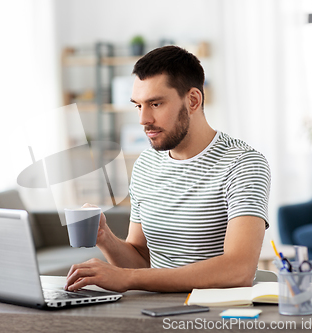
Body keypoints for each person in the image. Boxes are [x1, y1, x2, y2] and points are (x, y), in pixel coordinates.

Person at [65, 45, 270, 293]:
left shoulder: (242, 164)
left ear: (193, 100)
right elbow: (141, 259)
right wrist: (105, 237)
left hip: (216, 313)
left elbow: (239, 270)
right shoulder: (146, 164)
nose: (143, 119)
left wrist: (129, 279)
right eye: (138, 106)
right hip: (153, 309)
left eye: (156, 104)